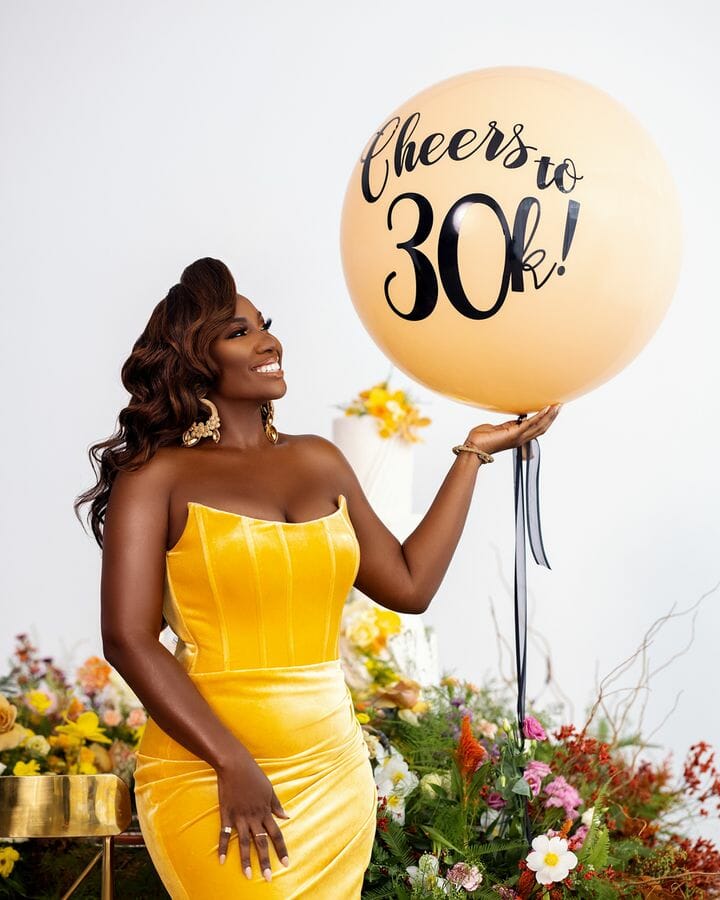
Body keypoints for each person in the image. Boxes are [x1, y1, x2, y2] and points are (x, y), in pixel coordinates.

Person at [74, 257, 560, 898]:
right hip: (211, 774)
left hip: (333, 771)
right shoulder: (153, 478)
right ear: (195, 357)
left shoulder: (320, 462)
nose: (268, 342)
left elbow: (409, 585)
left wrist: (471, 454)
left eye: (265, 325)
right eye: (239, 331)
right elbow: (128, 639)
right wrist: (231, 761)